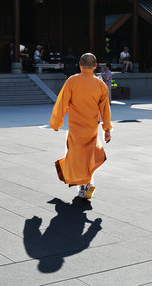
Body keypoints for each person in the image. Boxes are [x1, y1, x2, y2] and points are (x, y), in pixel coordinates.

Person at [49, 53, 113, 199]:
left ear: (80, 65)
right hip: (91, 128)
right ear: (95, 66)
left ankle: (83, 187)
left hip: (75, 128)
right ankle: (88, 183)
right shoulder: (100, 85)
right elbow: (105, 110)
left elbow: (62, 103)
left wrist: (56, 122)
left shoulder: (72, 81)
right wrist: (107, 129)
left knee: (76, 157)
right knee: (90, 156)